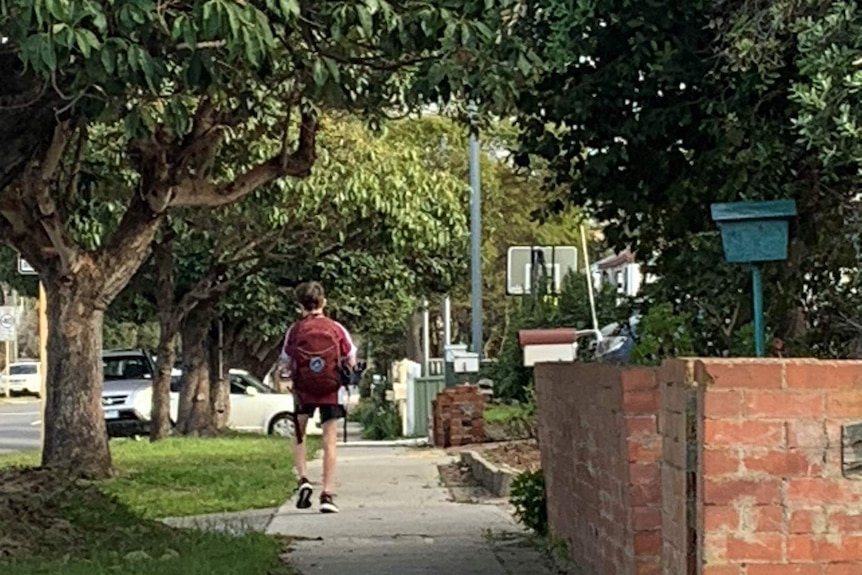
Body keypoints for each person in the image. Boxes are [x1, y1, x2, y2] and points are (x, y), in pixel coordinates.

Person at [279, 281, 356, 514]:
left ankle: (303, 479)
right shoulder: (336, 328)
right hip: (330, 390)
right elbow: (350, 358)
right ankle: (327, 493)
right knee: (329, 440)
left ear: (300, 305)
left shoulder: (295, 330)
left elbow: (285, 360)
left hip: (303, 390)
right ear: (323, 302)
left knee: (299, 433)